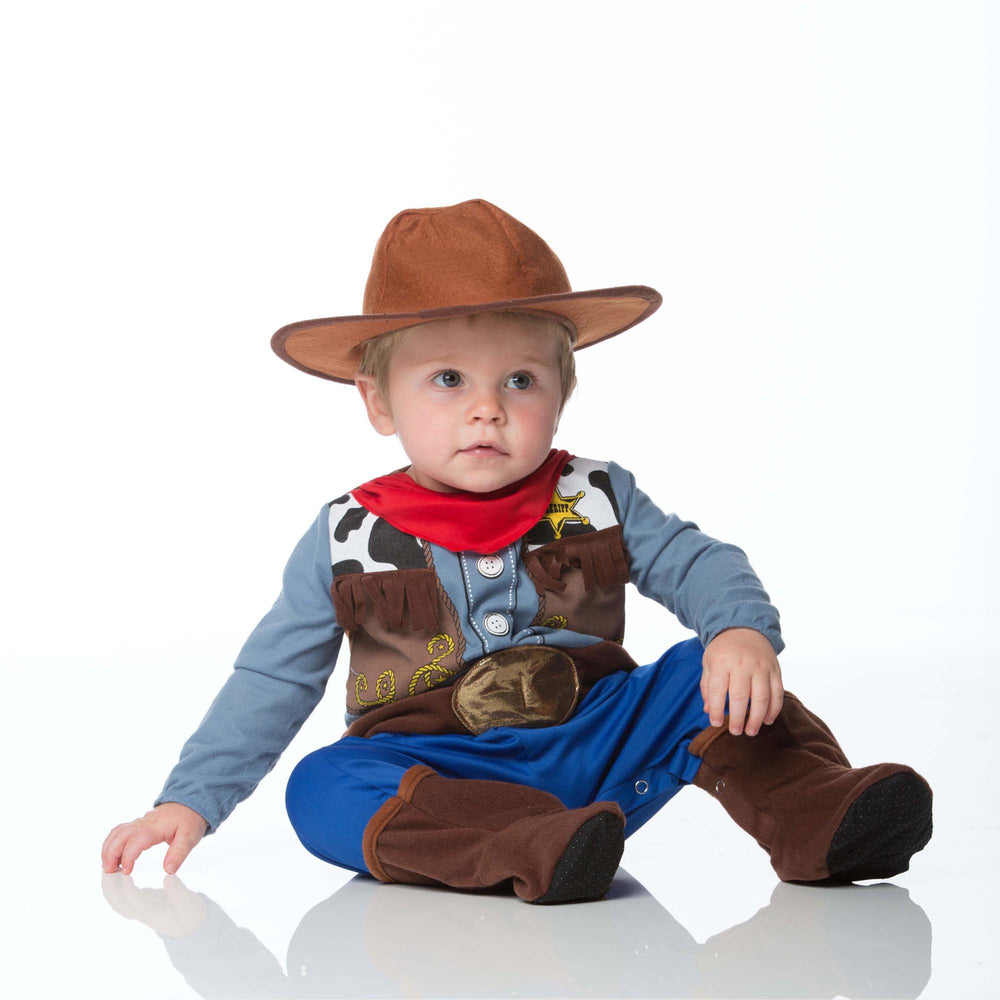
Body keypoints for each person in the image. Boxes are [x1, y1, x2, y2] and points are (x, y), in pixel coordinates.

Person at [101, 199, 932, 903]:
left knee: (705, 674)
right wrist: (190, 801)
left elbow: (698, 560)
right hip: (439, 768)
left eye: (521, 381)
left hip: (598, 731)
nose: (487, 411)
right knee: (322, 789)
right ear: (377, 402)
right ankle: (523, 850)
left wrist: (741, 630)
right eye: (449, 380)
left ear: (564, 391)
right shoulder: (345, 538)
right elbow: (273, 679)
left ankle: (817, 813)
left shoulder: (597, 496)